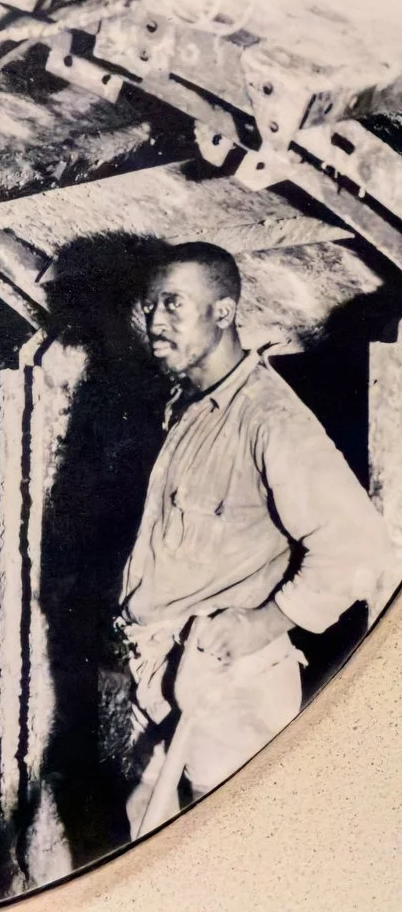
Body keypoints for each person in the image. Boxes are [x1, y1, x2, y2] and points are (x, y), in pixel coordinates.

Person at [118, 242, 395, 832]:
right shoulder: (191, 407)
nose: (155, 321)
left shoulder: (268, 418)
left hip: (229, 685)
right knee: (151, 843)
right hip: (169, 671)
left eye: (174, 304)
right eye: (150, 306)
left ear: (224, 311)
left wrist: (264, 623)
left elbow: (358, 547)